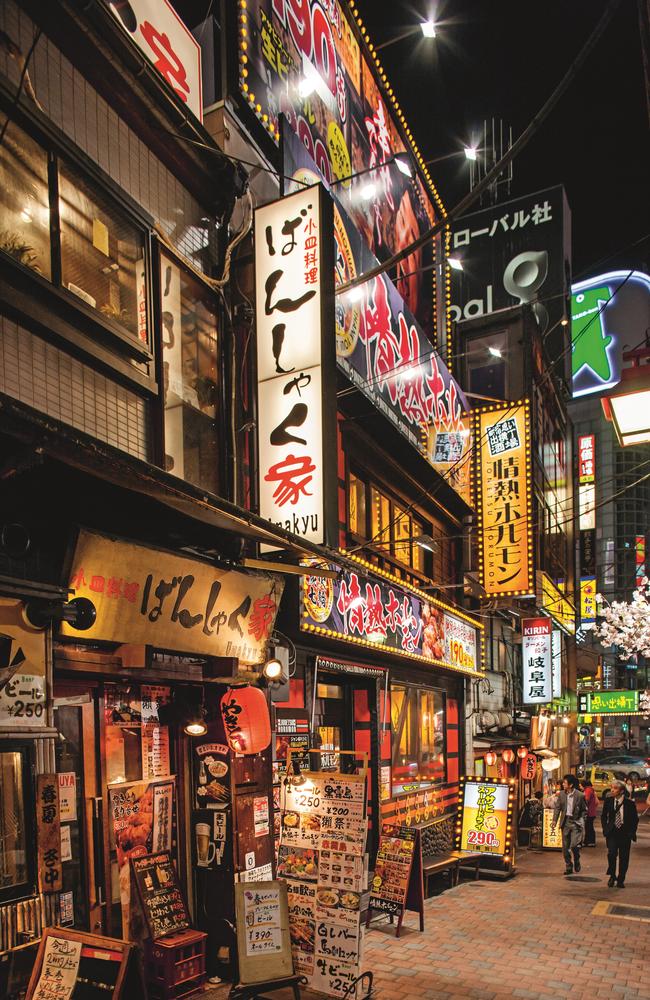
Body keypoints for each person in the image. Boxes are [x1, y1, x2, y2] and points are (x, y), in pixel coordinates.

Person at [602, 778, 638, 888]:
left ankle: (621, 879)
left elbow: (635, 819)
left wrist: (631, 832)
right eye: (611, 788)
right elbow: (603, 816)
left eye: (615, 788)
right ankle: (612, 876)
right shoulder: (608, 801)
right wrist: (605, 828)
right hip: (612, 832)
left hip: (625, 833)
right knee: (611, 854)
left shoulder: (630, 803)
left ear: (622, 791)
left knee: (624, 857)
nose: (612, 790)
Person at [551, 774, 587, 875]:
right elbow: (558, 808)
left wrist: (582, 819)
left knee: (574, 845)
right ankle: (568, 866)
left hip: (576, 823)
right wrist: (554, 820)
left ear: (570, 785)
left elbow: (585, 810)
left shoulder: (580, 795)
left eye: (564, 783)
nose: (562, 784)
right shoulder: (561, 794)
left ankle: (577, 859)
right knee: (565, 847)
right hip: (565, 822)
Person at [582, 779, 597, 846]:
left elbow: (586, 799)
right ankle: (589, 841)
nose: (580, 786)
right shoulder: (590, 789)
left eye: (581, 785)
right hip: (591, 811)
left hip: (589, 812)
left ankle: (590, 842)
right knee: (589, 827)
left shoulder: (588, 790)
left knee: (589, 827)